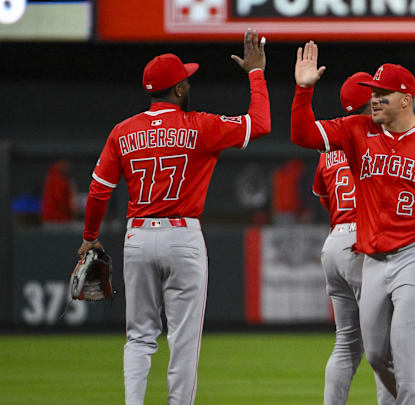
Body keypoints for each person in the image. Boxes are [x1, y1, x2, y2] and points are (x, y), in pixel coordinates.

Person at [292, 41, 415, 405]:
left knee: (406, 348)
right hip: (373, 259)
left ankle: (412, 398)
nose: (374, 100)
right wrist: (303, 90)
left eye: (383, 95)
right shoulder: (357, 131)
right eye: (373, 93)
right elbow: (303, 136)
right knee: (374, 354)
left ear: (406, 99)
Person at [76, 30, 270, 405]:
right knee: (183, 338)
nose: (189, 82)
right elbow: (259, 123)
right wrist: (256, 73)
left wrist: (89, 236)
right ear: (179, 89)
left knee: (139, 335)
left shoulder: (123, 131)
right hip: (183, 237)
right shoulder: (202, 125)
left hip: (138, 237)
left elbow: (100, 190)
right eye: (187, 78)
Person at [313, 71, 415, 405]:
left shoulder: (329, 145)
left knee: (346, 342)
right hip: (369, 241)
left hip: (334, 240)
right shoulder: (373, 138)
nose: (378, 96)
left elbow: (323, 198)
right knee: (389, 346)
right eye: (374, 93)